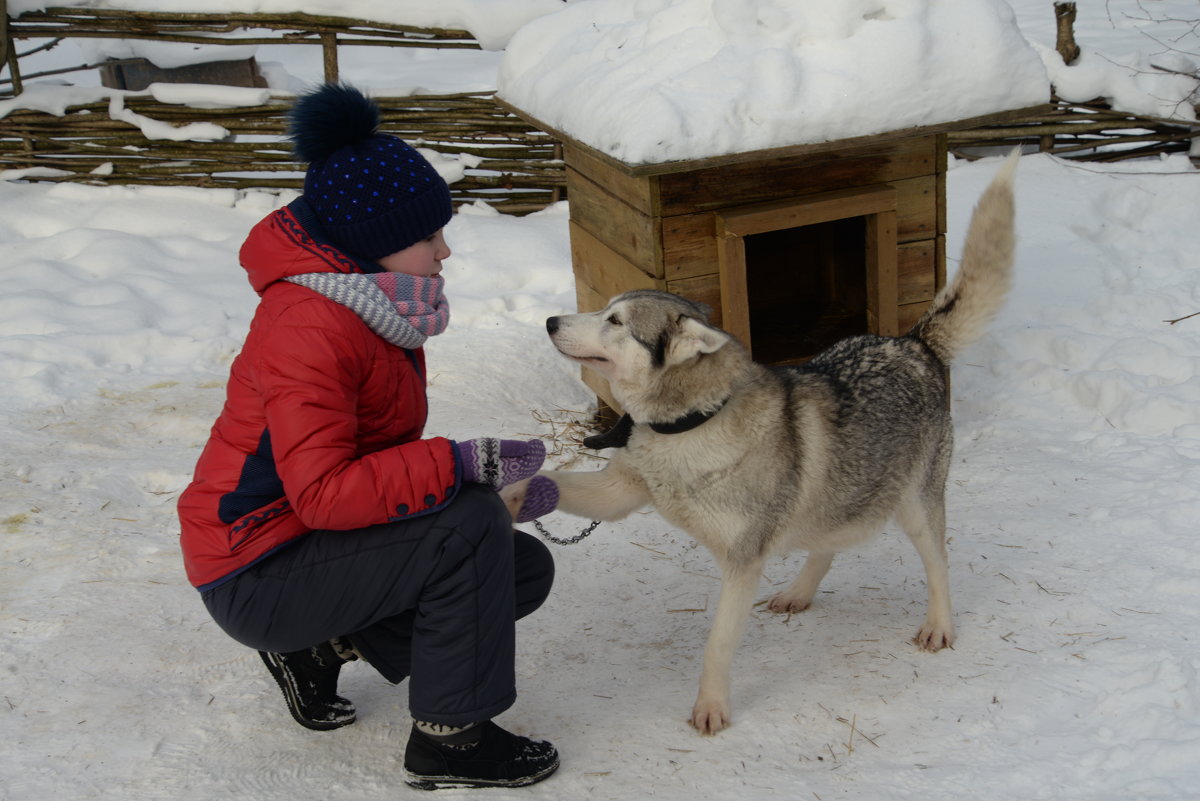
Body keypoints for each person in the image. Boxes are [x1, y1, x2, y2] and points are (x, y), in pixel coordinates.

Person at [177, 83, 562, 791]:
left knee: (517, 566)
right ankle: (452, 739)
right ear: (373, 243)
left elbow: (366, 460)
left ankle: (323, 643)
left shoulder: (367, 302)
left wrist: (473, 481)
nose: (444, 251)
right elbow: (324, 494)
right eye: (427, 236)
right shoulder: (312, 326)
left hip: (300, 545)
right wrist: (459, 465)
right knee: (468, 529)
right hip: (255, 566)